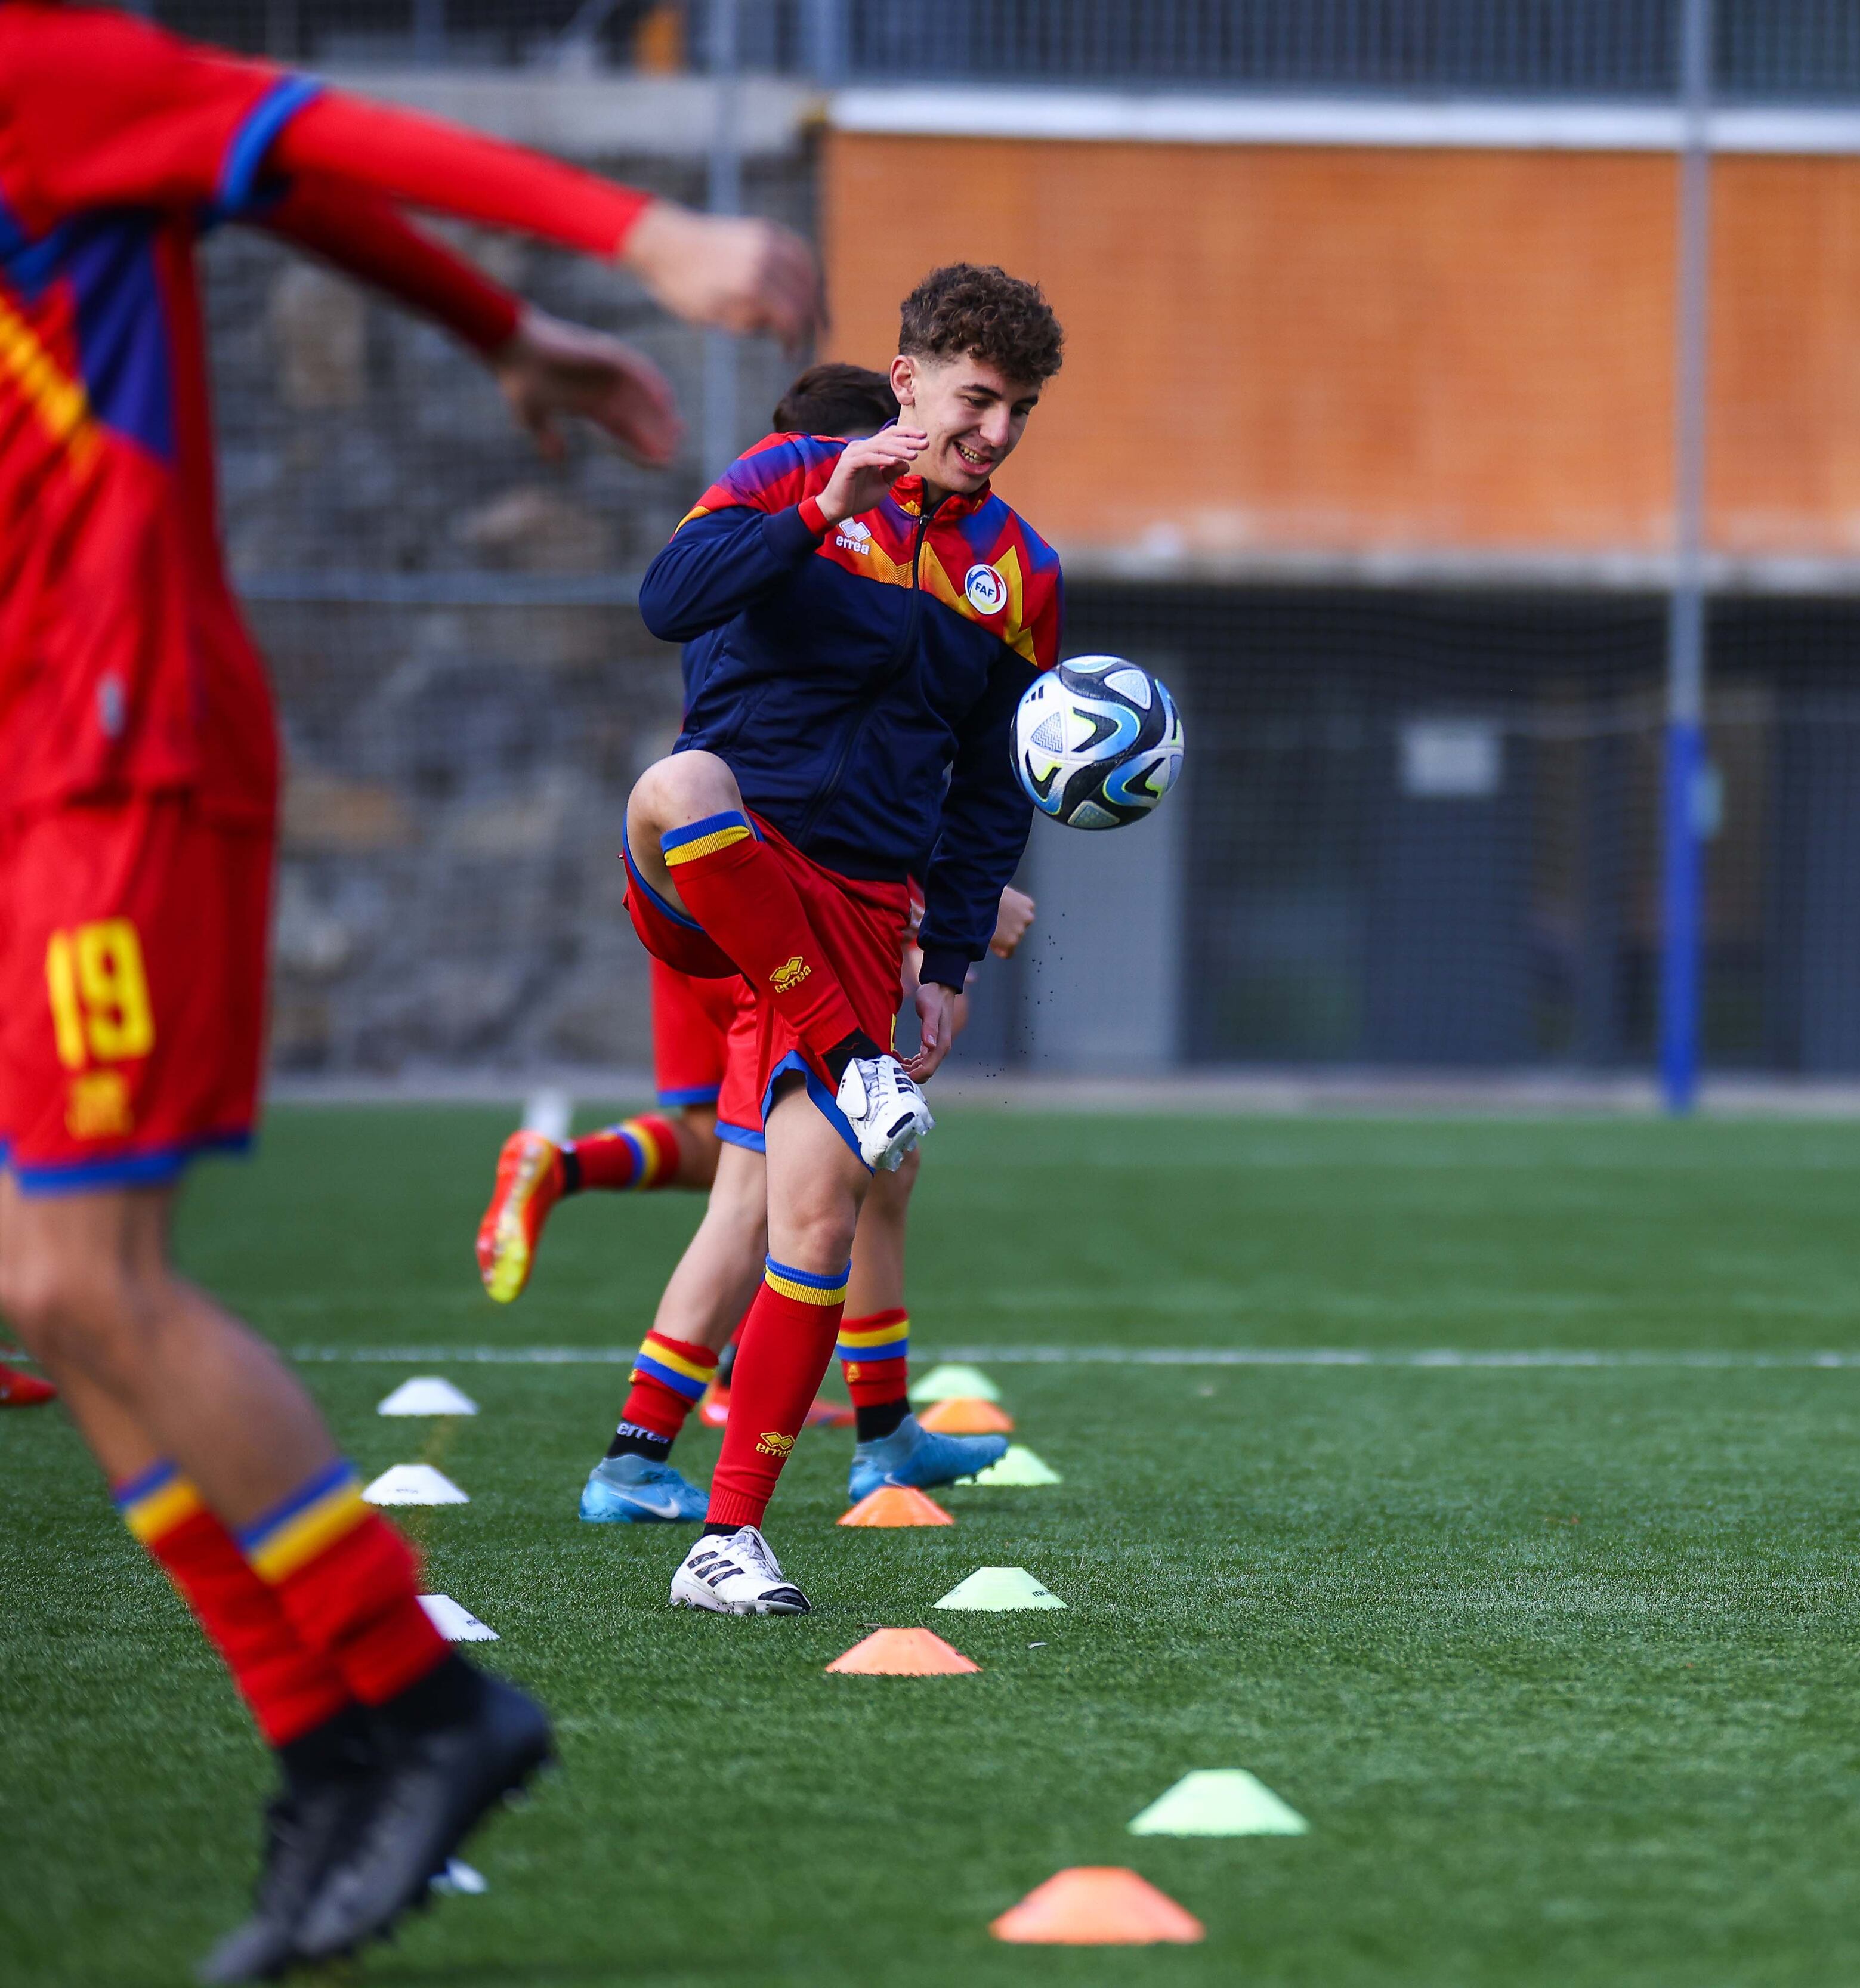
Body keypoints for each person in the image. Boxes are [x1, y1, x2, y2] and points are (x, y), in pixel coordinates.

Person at [0, 5, 818, 1975]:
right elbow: (273, 175)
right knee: (43, 1291)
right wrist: (495, 330)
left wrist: (636, 245)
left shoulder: (42, 65)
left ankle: (420, 1707)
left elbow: (305, 129)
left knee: (86, 1282)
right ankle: (338, 1747)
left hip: (130, 747)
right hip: (42, 760)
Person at [623, 263, 1065, 1615]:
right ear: (911, 377)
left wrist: (941, 968)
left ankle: (728, 1538)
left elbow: (992, 787)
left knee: (812, 1212)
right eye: (976, 400)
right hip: (721, 866)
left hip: (864, 915)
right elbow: (670, 595)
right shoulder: (784, 471)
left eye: (1020, 413)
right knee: (678, 784)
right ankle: (841, 1057)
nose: (992, 433)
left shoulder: (1025, 573)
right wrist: (822, 507)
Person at [475, 366, 917, 1311]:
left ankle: (560, 1167)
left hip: (690, 871)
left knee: (723, 1137)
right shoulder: (840, 563)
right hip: (770, 891)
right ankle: (795, 1422)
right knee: (826, 1152)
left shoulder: (738, 543)